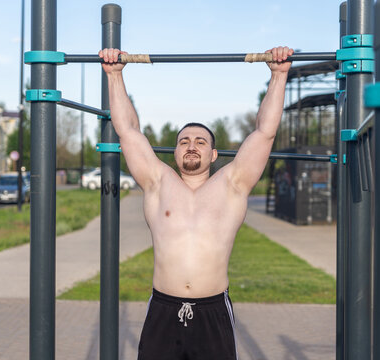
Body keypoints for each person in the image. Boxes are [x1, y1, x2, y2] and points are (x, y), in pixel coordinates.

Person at [99, 46, 293, 360]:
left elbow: (264, 132)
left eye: (201, 141)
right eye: (184, 141)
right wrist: (115, 76)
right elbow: (128, 131)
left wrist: (279, 76)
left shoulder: (232, 184)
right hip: (163, 308)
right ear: (174, 152)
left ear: (213, 155)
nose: (192, 146)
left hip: (212, 311)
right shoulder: (157, 182)